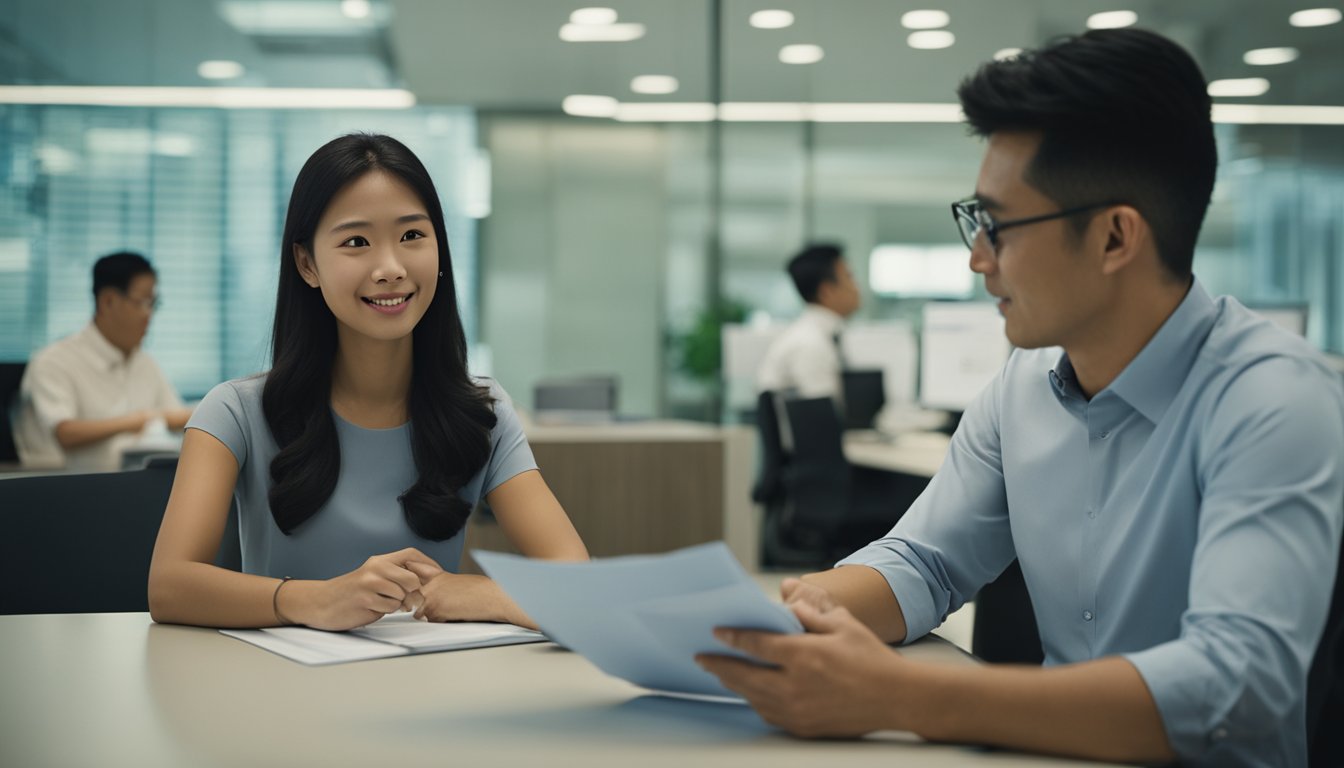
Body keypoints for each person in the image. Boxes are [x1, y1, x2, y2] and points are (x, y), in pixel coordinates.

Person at [699, 28, 1344, 767]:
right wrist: (758, 625)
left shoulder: (1274, 400)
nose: (976, 259)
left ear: (1113, 238)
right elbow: (925, 561)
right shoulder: (1022, 383)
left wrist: (903, 698)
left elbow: (1236, 689)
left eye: (997, 227)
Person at [148, 133, 588, 631]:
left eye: (412, 236)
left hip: (433, 686)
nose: (391, 268)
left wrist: (479, 592)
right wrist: (315, 601)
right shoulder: (234, 412)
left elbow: (573, 580)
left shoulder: (481, 411)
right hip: (283, 694)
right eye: (356, 242)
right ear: (307, 263)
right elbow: (169, 586)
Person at [14, 251, 193, 472]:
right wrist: (138, 420)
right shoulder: (53, 361)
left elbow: (178, 417)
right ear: (108, 301)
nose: (149, 315)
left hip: (134, 487)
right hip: (65, 490)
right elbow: (65, 432)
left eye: (153, 303)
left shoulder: (143, 362)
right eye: (143, 302)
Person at [755, 243, 862, 402]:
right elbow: (822, 417)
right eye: (849, 277)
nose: (856, 288)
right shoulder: (811, 343)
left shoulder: (818, 335)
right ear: (826, 291)